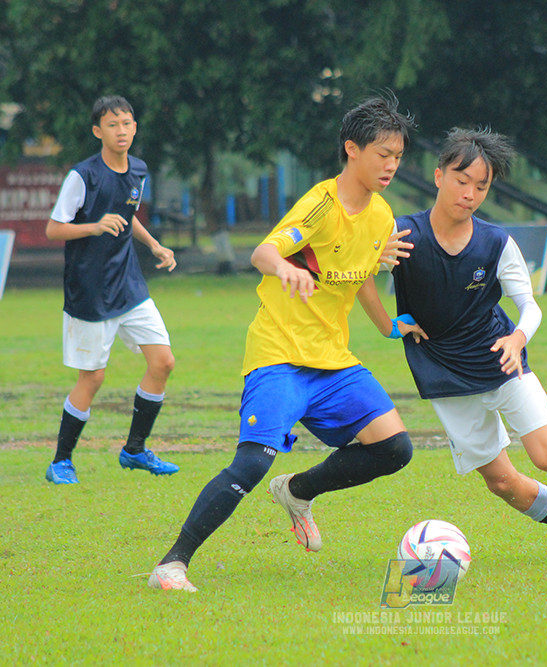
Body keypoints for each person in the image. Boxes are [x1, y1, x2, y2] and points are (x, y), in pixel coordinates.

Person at [149, 94, 419, 592]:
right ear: (352, 150)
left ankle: (297, 491)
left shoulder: (382, 216)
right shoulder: (320, 203)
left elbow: (360, 277)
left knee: (395, 449)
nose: (391, 165)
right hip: (279, 354)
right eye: (383, 153)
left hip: (333, 360)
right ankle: (172, 563)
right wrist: (283, 272)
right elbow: (264, 251)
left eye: (398, 156)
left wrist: (388, 327)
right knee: (252, 461)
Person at [357, 128, 547, 560]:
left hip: (501, 360)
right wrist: (388, 326)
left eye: (482, 186)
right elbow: (359, 275)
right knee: (501, 483)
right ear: (439, 176)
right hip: (443, 374)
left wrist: (517, 337)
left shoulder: (496, 243)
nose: (470, 194)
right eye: (462, 181)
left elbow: (529, 305)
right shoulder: (402, 234)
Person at [44, 96, 180, 485]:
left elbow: (127, 216)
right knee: (93, 377)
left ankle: (134, 450)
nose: (121, 131)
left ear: (135, 127)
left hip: (130, 284)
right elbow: (55, 229)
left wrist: (153, 245)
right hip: (90, 290)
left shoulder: (138, 169)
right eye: (113, 124)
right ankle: (61, 462)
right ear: (97, 131)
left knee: (163, 362)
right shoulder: (82, 176)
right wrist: (94, 226)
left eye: (127, 123)